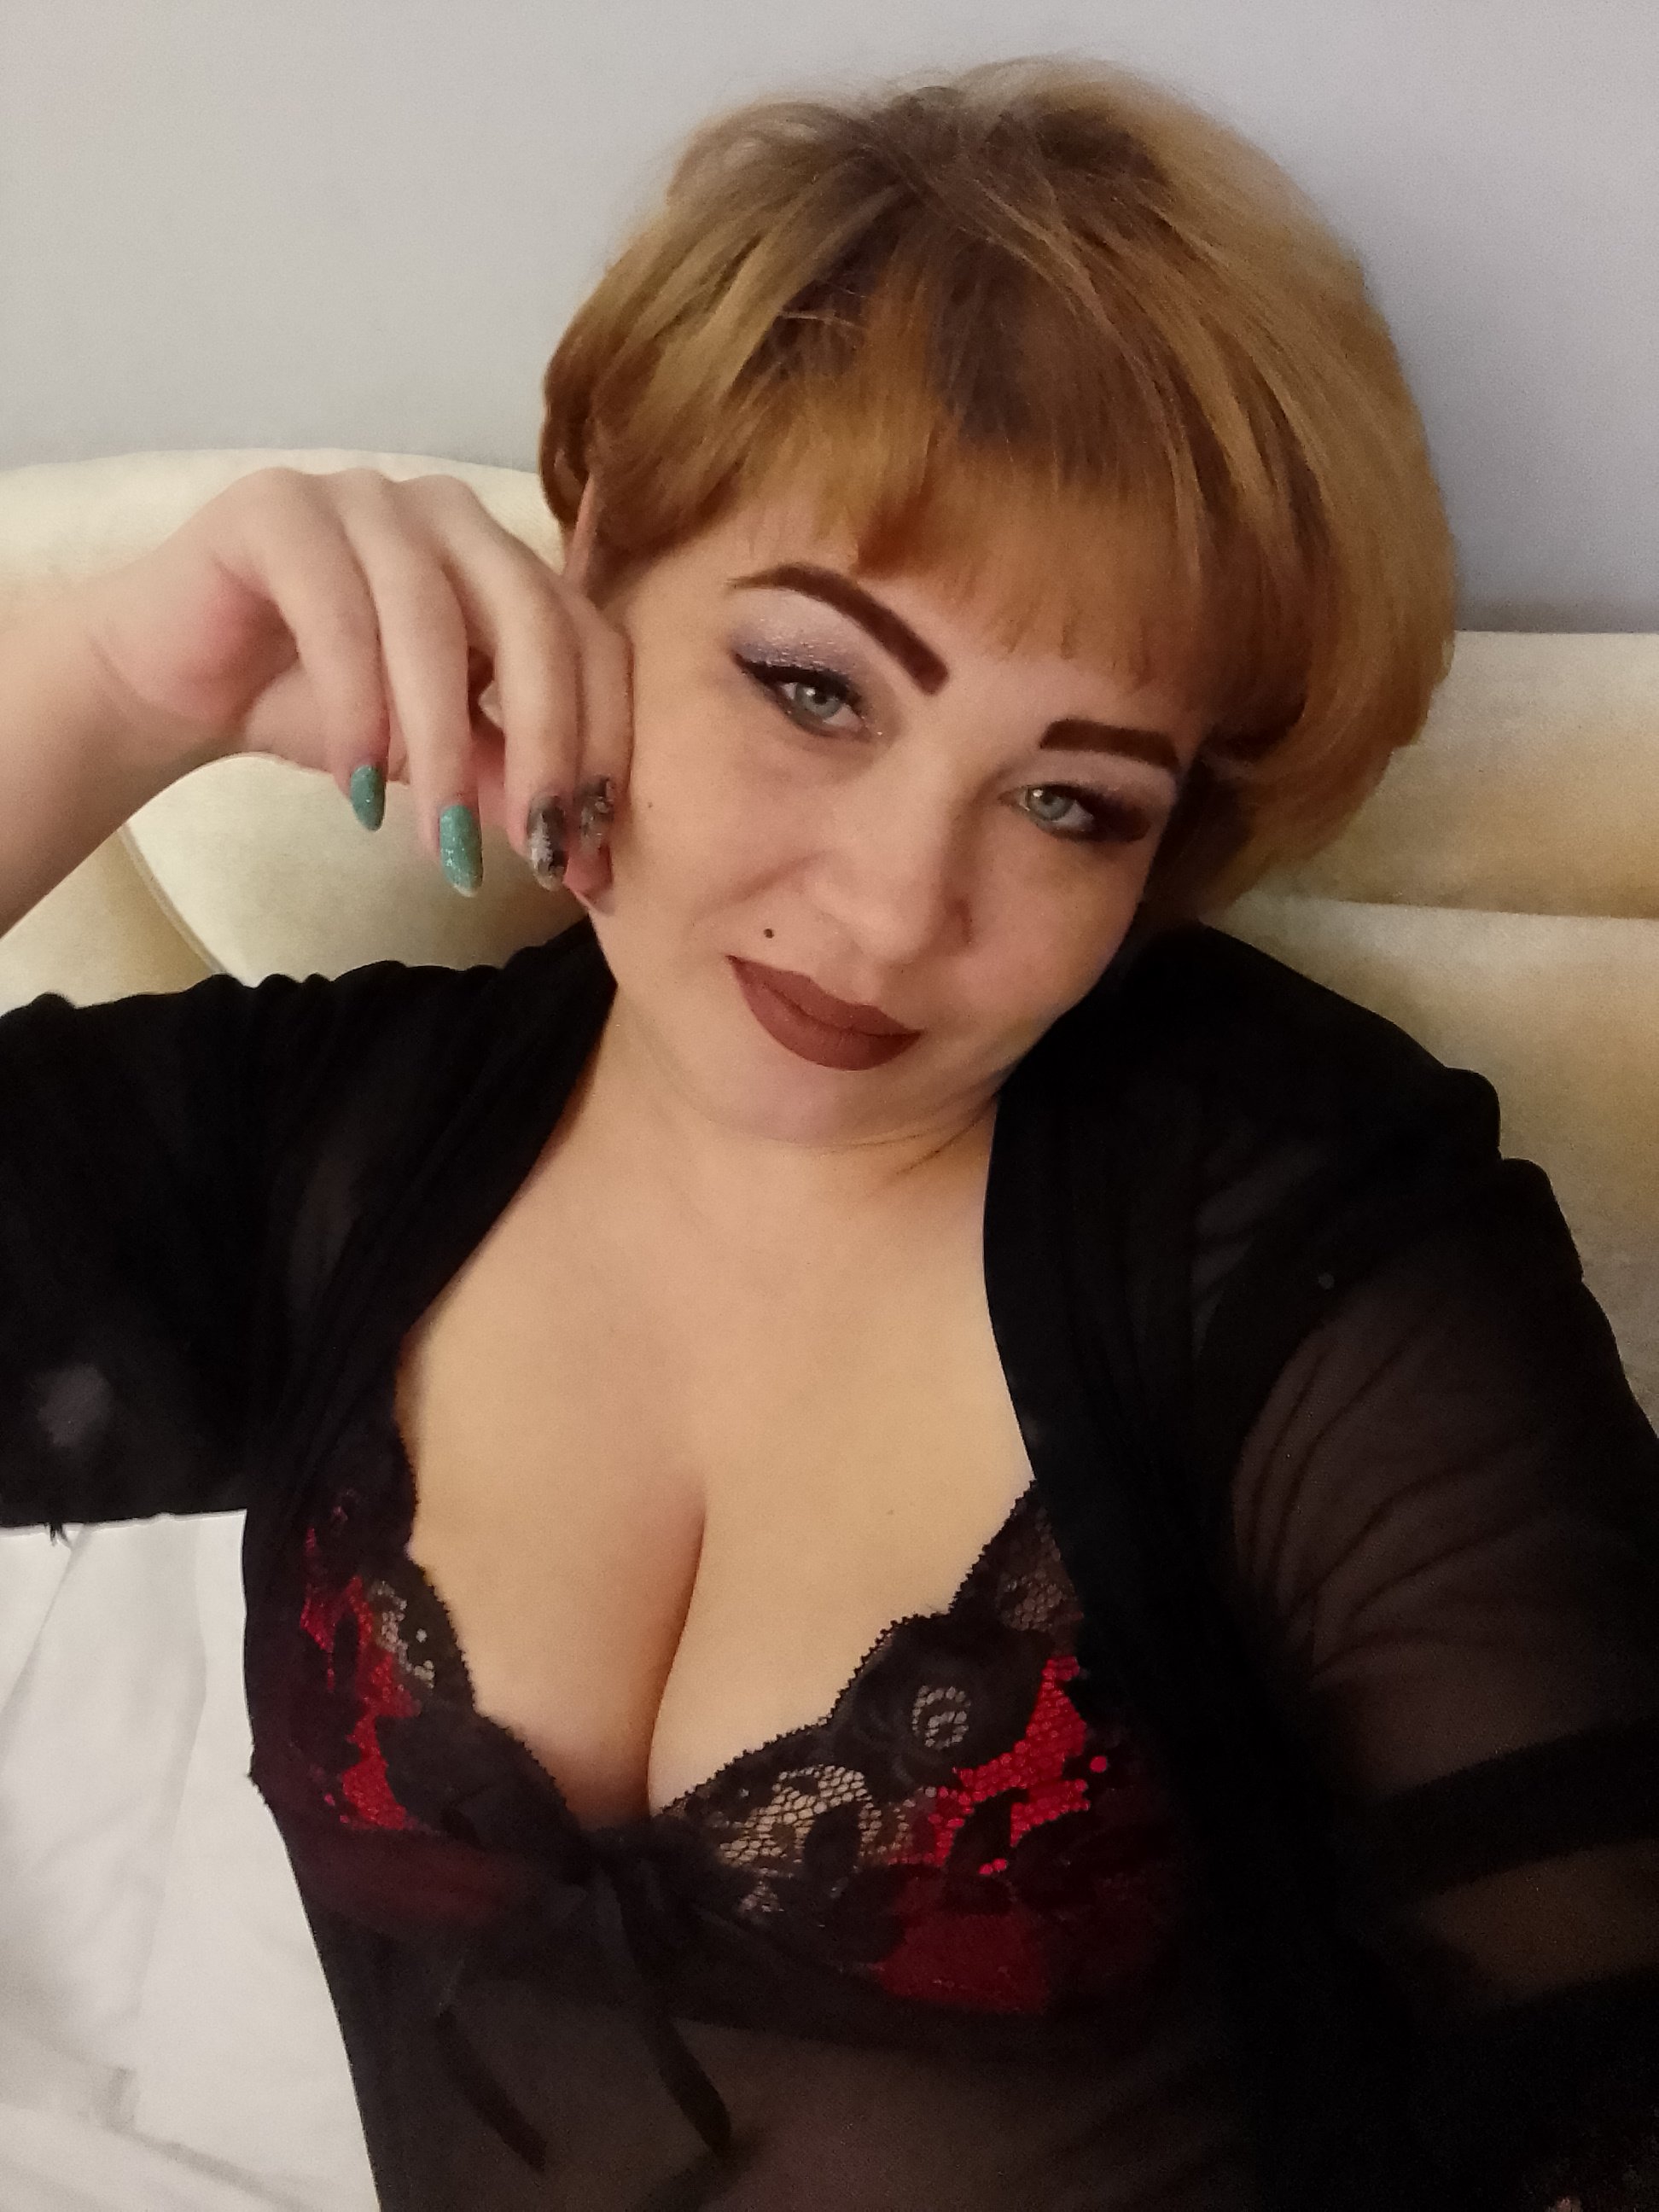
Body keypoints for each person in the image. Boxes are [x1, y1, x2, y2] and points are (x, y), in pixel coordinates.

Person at [2, 51, 1656, 2212]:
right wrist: (106, 690)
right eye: (813, 685)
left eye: (1067, 800)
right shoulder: (335, 1144)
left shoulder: (1305, 1230)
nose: (889, 912)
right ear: (595, 564)